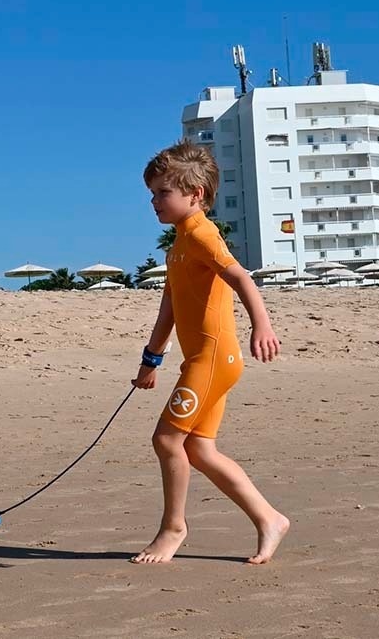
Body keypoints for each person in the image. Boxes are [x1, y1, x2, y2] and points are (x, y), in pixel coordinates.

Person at [132, 140, 289, 565]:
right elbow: (171, 305)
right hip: (203, 362)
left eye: (163, 193)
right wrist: (151, 358)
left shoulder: (202, 235)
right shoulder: (177, 246)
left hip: (213, 361)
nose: (154, 202)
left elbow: (241, 277)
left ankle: (173, 528)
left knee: (166, 440)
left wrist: (263, 324)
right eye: (152, 193)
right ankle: (269, 518)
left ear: (194, 194)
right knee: (199, 450)